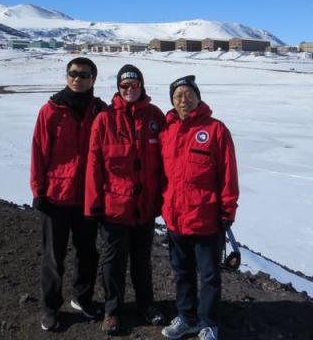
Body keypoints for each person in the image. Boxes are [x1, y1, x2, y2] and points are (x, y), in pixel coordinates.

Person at [85, 64, 166, 335]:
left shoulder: (155, 117)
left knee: (142, 260)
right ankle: (113, 310)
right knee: (113, 262)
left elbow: (167, 162)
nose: (130, 90)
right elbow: (94, 164)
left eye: (135, 85)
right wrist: (93, 204)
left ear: (142, 86)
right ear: (118, 88)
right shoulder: (105, 119)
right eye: (124, 86)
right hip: (114, 208)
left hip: (144, 208)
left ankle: (146, 304)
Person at [160, 75, 239, 340]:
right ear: (172, 101)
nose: (184, 99)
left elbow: (228, 175)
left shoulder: (216, 130)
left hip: (206, 218)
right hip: (175, 218)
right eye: (178, 95)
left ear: (198, 96)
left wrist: (228, 210)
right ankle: (187, 317)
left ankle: (208, 323)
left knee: (209, 276)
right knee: (181, 272)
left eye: (188, 93)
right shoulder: (166, 131)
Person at [30, 57, 106, 331]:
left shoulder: (100, 110)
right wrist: (38, 189)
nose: (77, 78)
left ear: (92, 79)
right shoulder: (51, 111)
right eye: (73, 73)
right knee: (53, 256)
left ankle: (82, 298)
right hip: (56, 196)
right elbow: (39, 152)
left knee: (88, 253)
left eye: (84, 75)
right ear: (66, 77)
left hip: (88, 197)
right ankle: (50, 307)